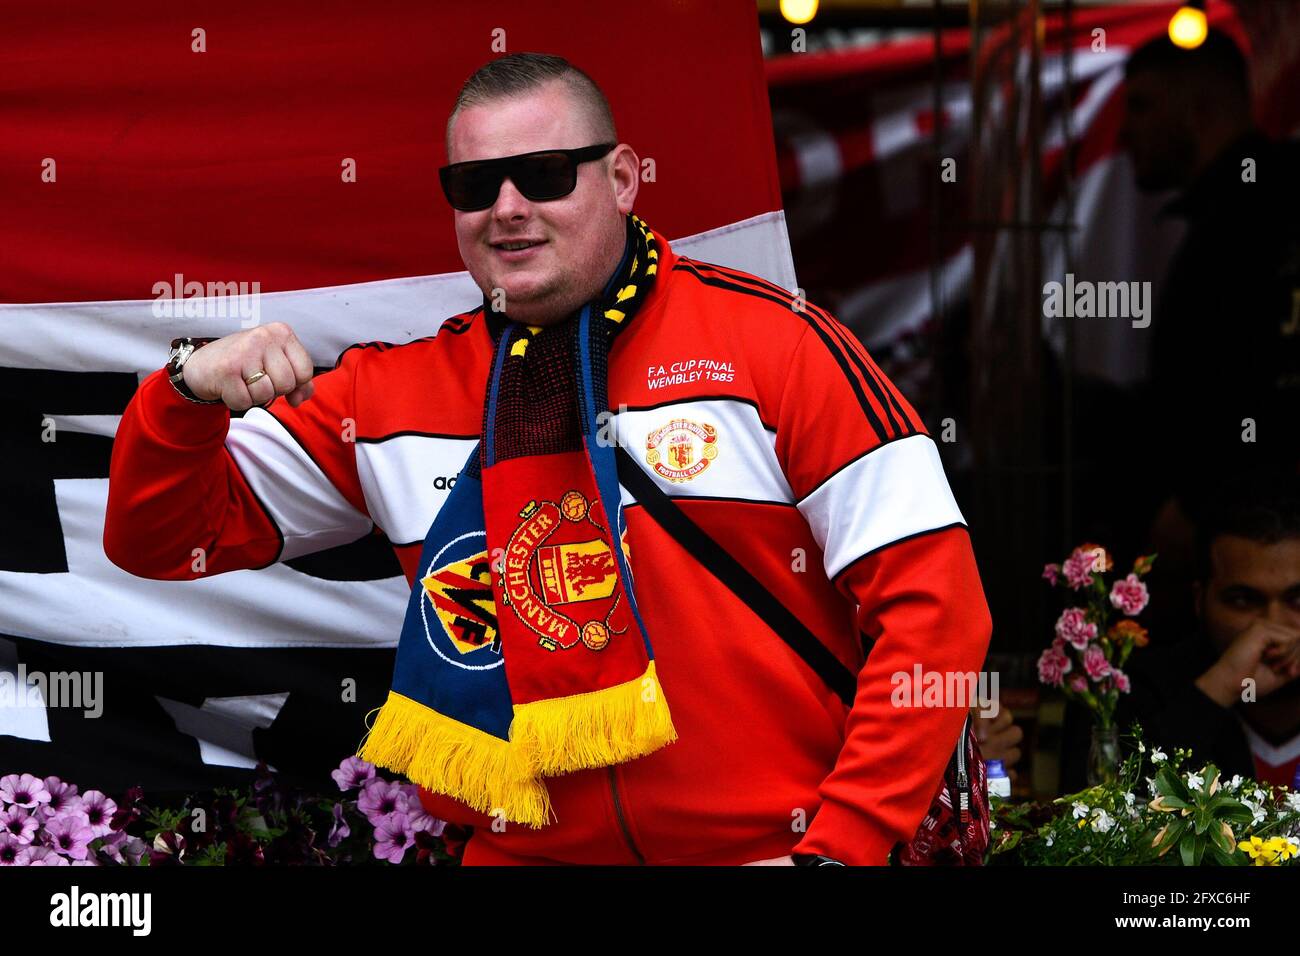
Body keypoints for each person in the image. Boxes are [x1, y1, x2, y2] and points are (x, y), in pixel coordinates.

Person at [103, 52, 991, 865]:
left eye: (544, 174)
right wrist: (184, 391)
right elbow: (161, 539)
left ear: (623, 178)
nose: (509, 207)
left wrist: (844, 847)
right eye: (475, 184)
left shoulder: (778, 346)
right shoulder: (391, 395)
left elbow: (937, 618)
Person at [1119, 476, 1300, 786]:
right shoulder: (1140, 690)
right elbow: (1112, 813)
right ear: (1200, 601)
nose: (1274, 626)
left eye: (1297, 600)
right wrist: (1221, 686)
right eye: (1243, 600)